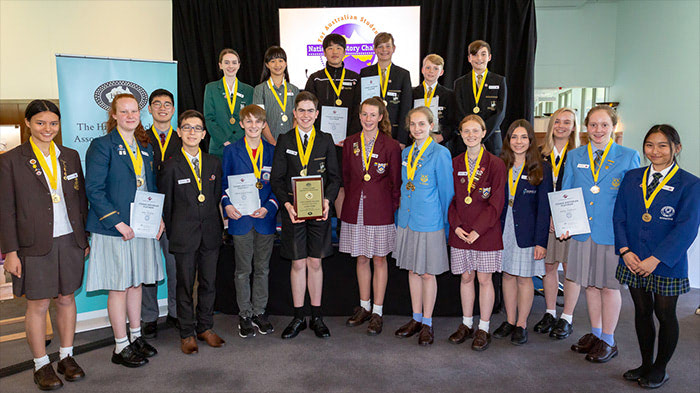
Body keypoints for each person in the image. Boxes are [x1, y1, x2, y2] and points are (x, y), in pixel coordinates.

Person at [0, 100, 89, 390]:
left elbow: (80, 199)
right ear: (28, 123)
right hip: (32, 245)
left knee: (66, 298)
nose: (47, 129)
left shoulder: (70, 156)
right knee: (37, 304)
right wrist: (10, 252)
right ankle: (41, 363)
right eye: (40, 122)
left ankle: (66, 356)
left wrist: (83, 238)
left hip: (70, 240)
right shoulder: (11, 160)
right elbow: (6, 209)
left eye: (53, 123)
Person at [613, 125, 699, 388]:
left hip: (666, 263)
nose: (655, 151)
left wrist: (656, 259)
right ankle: (645, 364)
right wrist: (625, 251)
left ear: (677, 148)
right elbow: (619, 216)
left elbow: (687, 228)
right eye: (650, 145)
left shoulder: (690, 184)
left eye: (663, 145)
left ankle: (660, 368)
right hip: (633, 259)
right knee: (641, 312)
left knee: (665, 315)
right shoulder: (631, 177)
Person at [85, 93, 164, 368]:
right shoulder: (101, 145)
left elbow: (149, 186)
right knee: (119, 287)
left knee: (136, 282)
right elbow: (93, 190)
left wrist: (158, 218)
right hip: (114, 228)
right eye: (125, 111)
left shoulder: (144, 146)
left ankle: (135, 335)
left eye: (134, 111)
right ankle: (120, 346)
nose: (131, 116)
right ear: (114, 115)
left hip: (141, 226)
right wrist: (116, 222)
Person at [560, 105, 640, 363]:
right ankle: (595, 333)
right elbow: (566, 193)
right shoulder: (574, 156)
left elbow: (635, 200)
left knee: (609, 287)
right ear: (586, 128)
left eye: (604, 125)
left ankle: (609, 339)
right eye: (593, 125)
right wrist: (563, 222)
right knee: (590, 286)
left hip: (611, 233)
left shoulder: (628, 156)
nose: (598, 130)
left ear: (613, 127)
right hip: (582, 232)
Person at [270, 92, 341, 339]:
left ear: (317, 114)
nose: (306, 115)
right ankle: (299, 316)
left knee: (315, 262)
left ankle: (317, 317)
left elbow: (335, 178)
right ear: (295, 113)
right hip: (294, 213)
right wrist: (287, 205)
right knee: (298, 263)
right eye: (301, 110)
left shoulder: (326, 140)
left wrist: (327, 201)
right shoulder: (284, 139)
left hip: (319, 212)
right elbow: (276, 180)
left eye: (311, 111)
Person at [158, 110, 225, 355]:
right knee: (185, 285)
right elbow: (166, 204)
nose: (192, 132)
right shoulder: (170, 165)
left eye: (197, 128)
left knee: (209, 283)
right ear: (179, 132)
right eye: (187, 127)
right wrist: (171, 231)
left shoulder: (213, 162)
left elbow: (216, 197)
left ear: (204, 134)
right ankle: (186, 332)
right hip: (183, 236)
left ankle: (205, 327)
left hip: (210, 233)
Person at [339, 97, 402, 335]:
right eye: (364, 114)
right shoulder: (350, 143)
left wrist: (389, 207)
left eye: (373, 115)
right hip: (356, 209)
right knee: (362, 258)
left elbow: (396, 183)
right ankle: (364, 306)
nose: (368, 119)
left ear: (381, 117)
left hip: (381, 211)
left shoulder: (391, 145)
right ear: (359, 116)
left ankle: (378, 311)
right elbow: (347, 177)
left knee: (379, 259)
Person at [393, 107, 454, 346]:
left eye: (422, 124)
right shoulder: (406, 153)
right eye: (413, 125)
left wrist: (445, 225)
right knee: (412, 271)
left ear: (431, 125)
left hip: (430, 222)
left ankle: (428, 322)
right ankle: (415, 318)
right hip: (407, 220)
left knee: (428, 273)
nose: (417, 129)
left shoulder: (440, 153)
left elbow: (447, 193)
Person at [447, 115, 506, 351]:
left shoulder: (496, 164)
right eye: (466, 131)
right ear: (460, 134)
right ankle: (466, 323)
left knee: (484, 279)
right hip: (460, 232)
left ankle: (483, 327)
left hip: (487, 233)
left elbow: (497, 203)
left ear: (484, 133)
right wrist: (457, 226)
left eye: (475, 131)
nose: (470, 135)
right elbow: (449, 200)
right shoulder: (454, 163)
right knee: (466, 277)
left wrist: (478, 231)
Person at [492, 120, 552, 345]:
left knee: (525, 279)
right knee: (507, 276)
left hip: (527, 231)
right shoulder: (500, 164)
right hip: (503, 227)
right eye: (514, 137)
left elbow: (544, 208)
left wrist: (541, 242)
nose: (519, 142)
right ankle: (509, 319)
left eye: (523, 137)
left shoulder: (542, 168)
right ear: (508, 140)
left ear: (530, 140)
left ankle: (522, 323)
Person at [222, 105, 278, 338]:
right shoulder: (231, 151)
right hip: (240, 218)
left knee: (262, 269)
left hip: (265, 219)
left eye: (258, 122)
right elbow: (223, 184)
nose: (254, 126)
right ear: (242, 124)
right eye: (249, 121)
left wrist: (269, 207)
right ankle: (245, 314)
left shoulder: (273, 151)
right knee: (243, 270)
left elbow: (279, 185)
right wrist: (227, 204)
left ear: (264, 125)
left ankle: (259, 312)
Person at [305, 33, 361, 216]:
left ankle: (342, 227)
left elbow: (358, 111)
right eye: (330, 48)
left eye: (338, 48)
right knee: (321, 180)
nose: (334, 52)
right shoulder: (315, 78)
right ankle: (320, 222)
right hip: (321, 141)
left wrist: (350, 137)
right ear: (324, 52)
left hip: (346, 142)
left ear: (345, 52)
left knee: (343, 183)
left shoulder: (355, 78)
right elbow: (308, 110)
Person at [534, 108, 578, 337]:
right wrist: (548, 217)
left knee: (570, 270)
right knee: (549, 267)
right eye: (558, 121)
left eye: (567, 122)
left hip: (570, 221)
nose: (561, 126)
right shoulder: (540, 153)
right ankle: (550, 312)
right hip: (545, 219)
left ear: (573, 127)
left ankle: (567, 317)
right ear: (551, 124)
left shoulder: (581, 154)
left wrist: (561, 217)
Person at [142, 88, 180, 338]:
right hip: (147, 211)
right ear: (150, 109)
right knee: (148, 267)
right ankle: (149, 316)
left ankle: (177, 313)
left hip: (177, 212)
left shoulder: (183, 137)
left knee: (176, 266)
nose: (162, 108)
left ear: (173, 109)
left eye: (167, 104)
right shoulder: (139, 138)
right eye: (157, 104)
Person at [453, 40, 507, 156]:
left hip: (491, 138)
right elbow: (459, 112)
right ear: (469, 58)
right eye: (475, 54)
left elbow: (500, 113)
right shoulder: (460, 83)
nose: (479, 58)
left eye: (483, 54)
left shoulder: (499, 81)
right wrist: (472, 135)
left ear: (489, 57)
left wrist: (481, 137)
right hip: (467, 139)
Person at [360, 32, 413, 146]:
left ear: (393, 48)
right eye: (380, 46)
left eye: (388, 46)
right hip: (370, 130)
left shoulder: (403, 74)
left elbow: (406, 108)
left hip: (394, 132)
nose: (384, 50)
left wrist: (402, 139)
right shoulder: (365, 73)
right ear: (374, 49)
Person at [203, 48, 254, 158]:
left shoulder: (249, 90)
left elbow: (250, 119)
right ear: (220, 65)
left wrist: (238, 142)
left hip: (242, 146)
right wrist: (225, 141)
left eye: (234, 62)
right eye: (226, 62)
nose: (231, 66)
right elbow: (209, 118)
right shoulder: (211, 88)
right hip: (219, 148)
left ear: (239, 65)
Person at [253, 46, 299, 145]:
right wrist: (272, 142)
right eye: (273, 61)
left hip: (290, 143)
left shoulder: (294, 90)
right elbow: (259, 118)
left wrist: (290, 140)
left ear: (286, 63)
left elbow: (297, 117)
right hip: (267, 143)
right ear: (267, 65)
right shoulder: (260, 89)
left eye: (280, 60)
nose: (277, 64)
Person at [412, 54, 457, 152]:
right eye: (428, 67)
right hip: (415, 140)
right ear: (422, 70)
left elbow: (453, 122)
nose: (431, 71)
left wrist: (442, 136)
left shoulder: (449, 95)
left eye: (436, 68)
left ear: (441, 72)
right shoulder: (412, 93)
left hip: (439, 142)